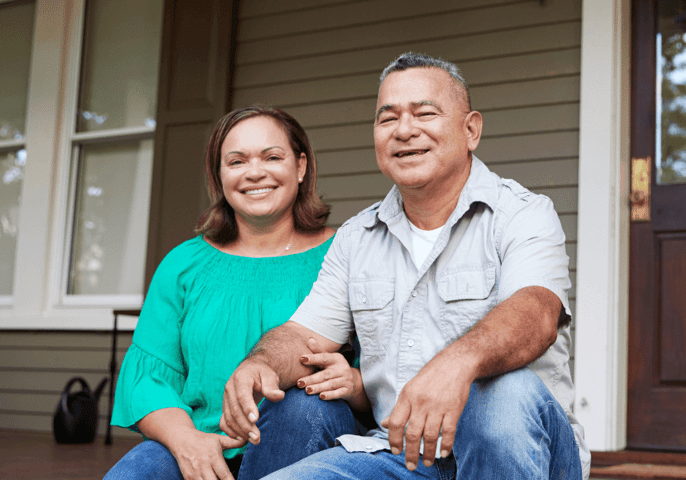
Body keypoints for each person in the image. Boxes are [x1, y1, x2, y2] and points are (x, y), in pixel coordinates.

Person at [223, 53, 590, 480]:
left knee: (503, 393)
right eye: (387, 118)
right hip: (400, 457)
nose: (404, 130)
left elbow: (537, 312)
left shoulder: (523, 213)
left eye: (424, 113)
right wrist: (260, 363)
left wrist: (458, 363)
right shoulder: (358, 237)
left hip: (523, 453)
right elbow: (304, 337)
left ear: (470, 130)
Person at [104, 105, 369, 480]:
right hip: (202, 442)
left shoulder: (347, 254)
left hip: (311, 446)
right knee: (140, 468)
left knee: (303, 408)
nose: (255, 172)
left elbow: (386, 375)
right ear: (220, 176)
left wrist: (354, 383)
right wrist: (186, 441)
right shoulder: (184, 265)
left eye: (272, 157)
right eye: (237, 161)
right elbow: (150, 381)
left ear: (301, 166)